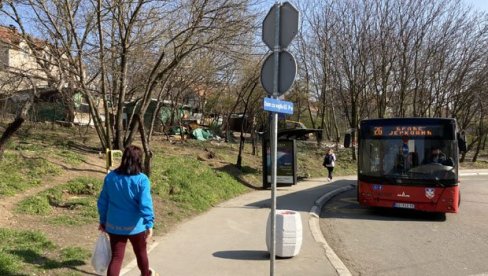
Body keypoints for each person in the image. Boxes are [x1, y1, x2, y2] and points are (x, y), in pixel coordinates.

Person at [97, 145, 157, 276]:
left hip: (114, 225)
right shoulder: (142, 179)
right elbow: (145, 204)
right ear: (139, 160)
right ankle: (146, 274)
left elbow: (102, 202)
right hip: (136, 227)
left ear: (124, 159)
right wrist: (149, 224)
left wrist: (103, 221)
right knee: (141, 253)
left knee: (117, 258)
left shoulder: (111, 177)